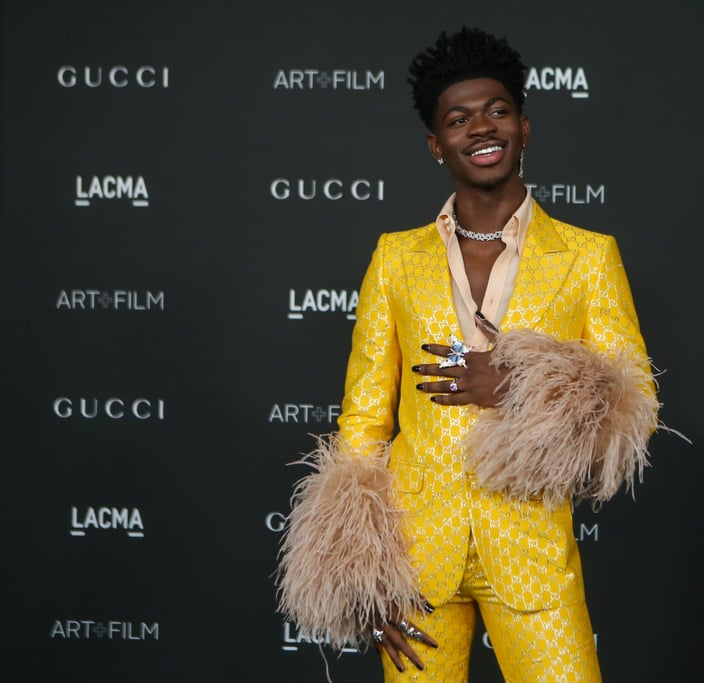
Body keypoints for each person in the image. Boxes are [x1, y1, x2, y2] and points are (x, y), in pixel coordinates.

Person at [277, 27, 658, 682]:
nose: (482, 127)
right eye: (459, 118)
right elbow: (363, 422)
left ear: (525, 126)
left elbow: (633, 403)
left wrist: (518, 384)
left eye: (498, 110)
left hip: (532, 548)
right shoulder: (395, 258)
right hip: (418, 555)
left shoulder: (589, 256)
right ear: (436, 143)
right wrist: (362, 573)